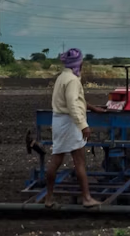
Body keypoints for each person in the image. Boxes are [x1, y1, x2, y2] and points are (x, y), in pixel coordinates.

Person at [41, 48, 101, 208]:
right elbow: (72, 104)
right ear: (78, 64)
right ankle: (87, 198)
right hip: (70, 123)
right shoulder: (73, 80)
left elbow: (75, 100)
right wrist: (83, 126)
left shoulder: (62, 77)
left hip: (59, 121)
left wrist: (92, 107)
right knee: (80, 161)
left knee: (56, 160)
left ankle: (48, 198)